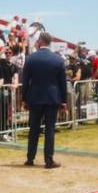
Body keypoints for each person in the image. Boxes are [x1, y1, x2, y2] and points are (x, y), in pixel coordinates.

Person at [21, 32, 66, 168]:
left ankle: (30, 158)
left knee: (33, 129)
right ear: (50, 42)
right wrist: (63, 101)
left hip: (34, 98)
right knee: (50, 130)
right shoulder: (58, 59)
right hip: (52, 98)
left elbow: (25, 81)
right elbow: (62, 83)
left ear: (40, 41)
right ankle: (49, 160)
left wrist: (24, 99)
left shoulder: (30, 58)